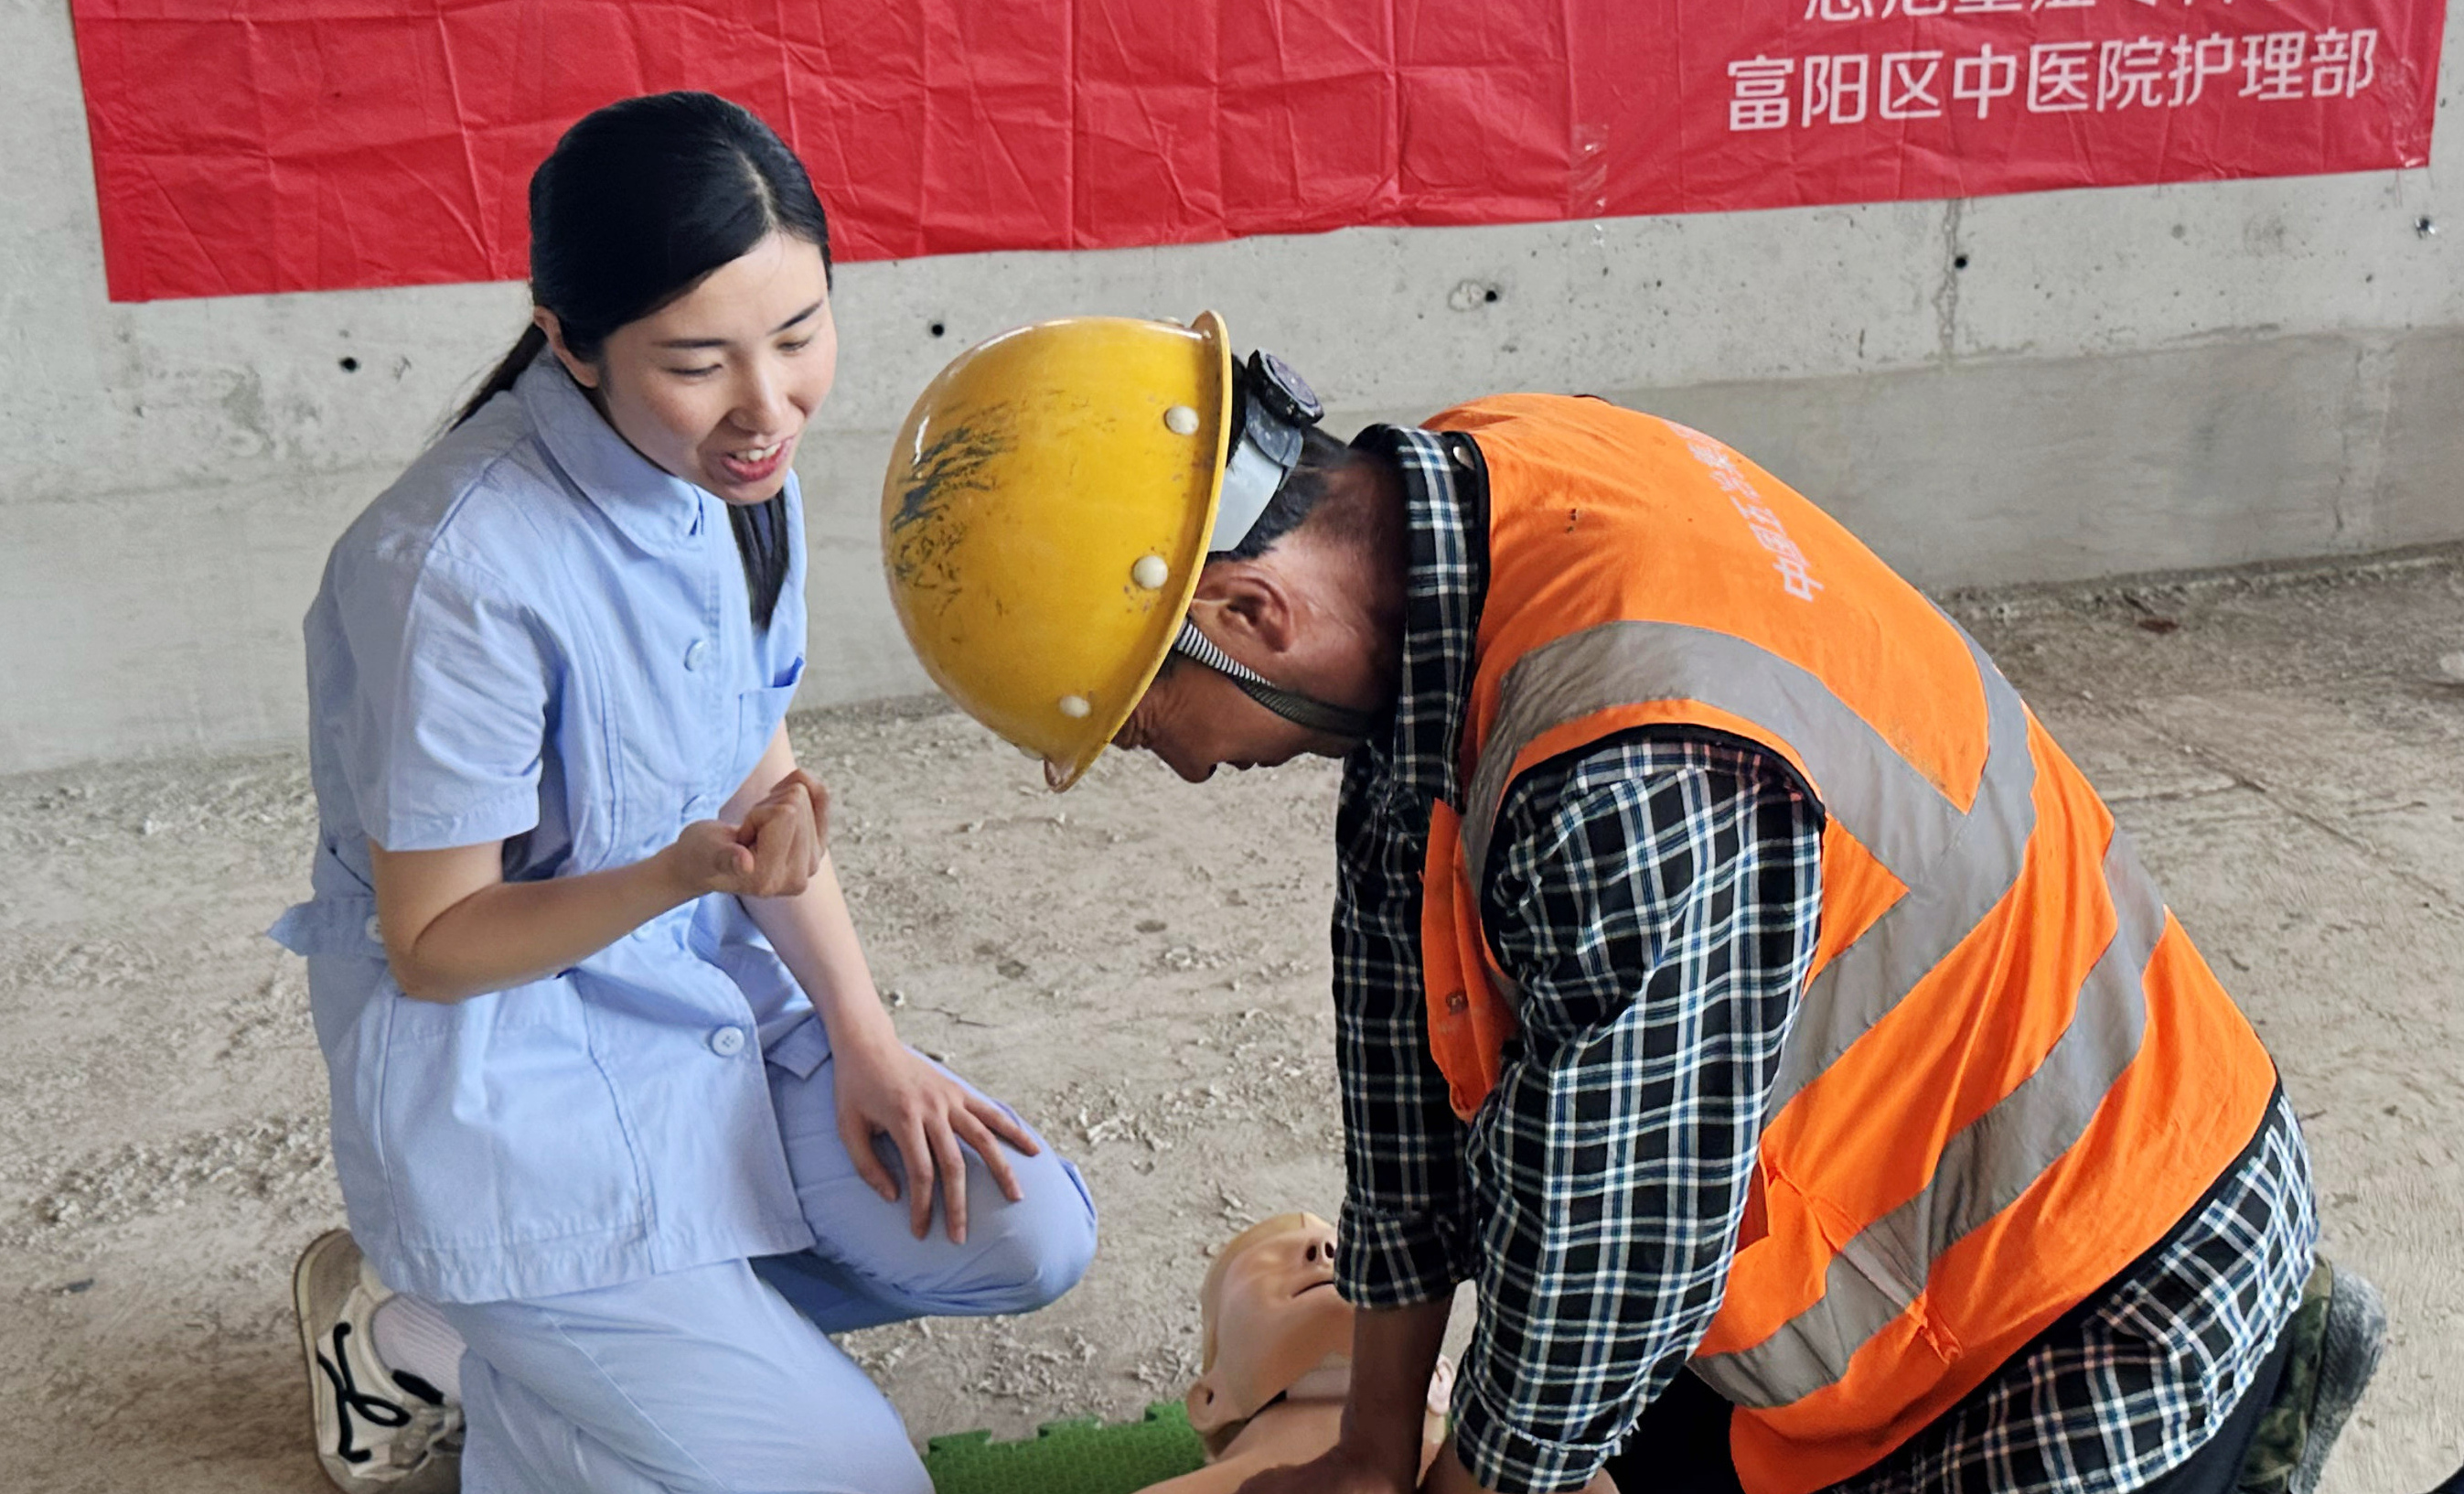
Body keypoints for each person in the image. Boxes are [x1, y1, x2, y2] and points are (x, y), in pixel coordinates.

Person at [874, 315, 2386, 1494]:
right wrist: (1373, 1440)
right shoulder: (1462, 510)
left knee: (1564, 1401)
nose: (1188, 769)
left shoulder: (1621, 757)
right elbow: (1397, 1014)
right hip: (1866, 1233)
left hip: (2087, 1292)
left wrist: (1462, 1477)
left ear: (1246, 611)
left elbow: (1621, 1252)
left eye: (1151, 728)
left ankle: (2262, 1405)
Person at [272, 92, 1097, 1494]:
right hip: (510, 1098)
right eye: (699, 362)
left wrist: (866, 1042)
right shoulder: (451, 573)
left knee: (1025, 1231)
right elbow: (435, 944)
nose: (767, 407)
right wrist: (680, 875)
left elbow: (747, 756)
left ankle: (451, 1346)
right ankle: (517, 1351)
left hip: (693, 1024)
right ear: (569, 342)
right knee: (858, 1484)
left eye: (800, 334)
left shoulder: (730, 471)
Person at [1154, 1210, 1617, 1494]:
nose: (1325, 1248)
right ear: (1208, 1398)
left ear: (1441, 1379)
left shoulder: (1542, 1472)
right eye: (1269, 1262)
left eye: (1344, 1246)